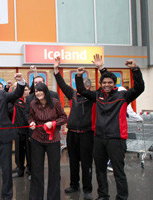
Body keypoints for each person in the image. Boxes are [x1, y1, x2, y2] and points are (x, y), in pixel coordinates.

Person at [75, 59, 145, 200]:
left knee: (119, 171)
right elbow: (82, 90)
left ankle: (122, 197)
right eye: (104, 83)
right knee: (100, 170)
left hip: (116, 139)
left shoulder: (123, 96)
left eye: (109, 83)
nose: (106, 85)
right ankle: (103, 196)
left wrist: (135, 70)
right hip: (99, 138)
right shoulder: (97, 96)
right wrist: (78, 76)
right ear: (100, 85)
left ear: (114, 85)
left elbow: (139, 88)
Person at [53, 55, 106, 200]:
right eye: (78, 87)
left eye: (82, 87)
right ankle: (74, 184)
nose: (79, 89)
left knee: (86, 162)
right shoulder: (73, 94)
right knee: (73, 161)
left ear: (87, 87)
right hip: (72, 134)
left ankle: (87, 188)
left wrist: (100, 68)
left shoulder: (92, 97)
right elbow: (62, 85)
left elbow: (104, 88)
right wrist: (56, 70)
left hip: (86, 134)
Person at [28, 83, 67, 200]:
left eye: (40, 91)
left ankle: (53, 197)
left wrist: (53, 123)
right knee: (36, 170)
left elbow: (64, 117)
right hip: (37, 139)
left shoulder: (54, 102)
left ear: (45, 91)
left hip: (53, 140)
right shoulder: (33, 104)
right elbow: (31, 117)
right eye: (36, 91)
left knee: (54, 170)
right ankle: (35, 197)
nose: (38, 93)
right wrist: (32, 123)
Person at [8, 85, 31, 178]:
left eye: (26, 90)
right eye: (23, 90)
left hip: (29, 131)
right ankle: (19, 169)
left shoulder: (32, 101)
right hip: (18, 130)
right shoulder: (16, 100)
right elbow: (9, 97)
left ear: (29, 90)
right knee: (19, 152)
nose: (24, 92)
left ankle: (30, 171)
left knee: (30, 152)